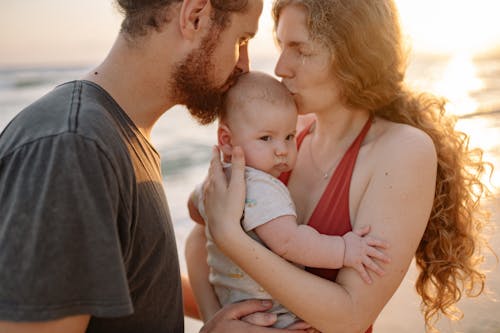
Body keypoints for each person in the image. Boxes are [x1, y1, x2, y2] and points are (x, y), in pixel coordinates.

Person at [0, 1, 309, 332]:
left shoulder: (115, 134)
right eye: (241, 40)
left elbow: (129, 282)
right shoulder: (74, 147)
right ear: (195, 17)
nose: (245, 66)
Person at [191, 0, 494, 332]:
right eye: (281, 46)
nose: (280, 67)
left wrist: (232, 239)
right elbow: (200, 236)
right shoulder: (283, 139)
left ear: (353, 55)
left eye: (300, 50)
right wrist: (217, 323)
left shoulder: (403, 150)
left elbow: (350, 316)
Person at [186, 71, 390, 328]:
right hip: (274, 317)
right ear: (225, 140)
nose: (281, 149)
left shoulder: (215, 183)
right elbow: (289, 242)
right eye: (266, 138)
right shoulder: (262, 188)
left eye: (289, 137)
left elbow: (194, 210)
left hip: (234, 308)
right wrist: (344, 250)